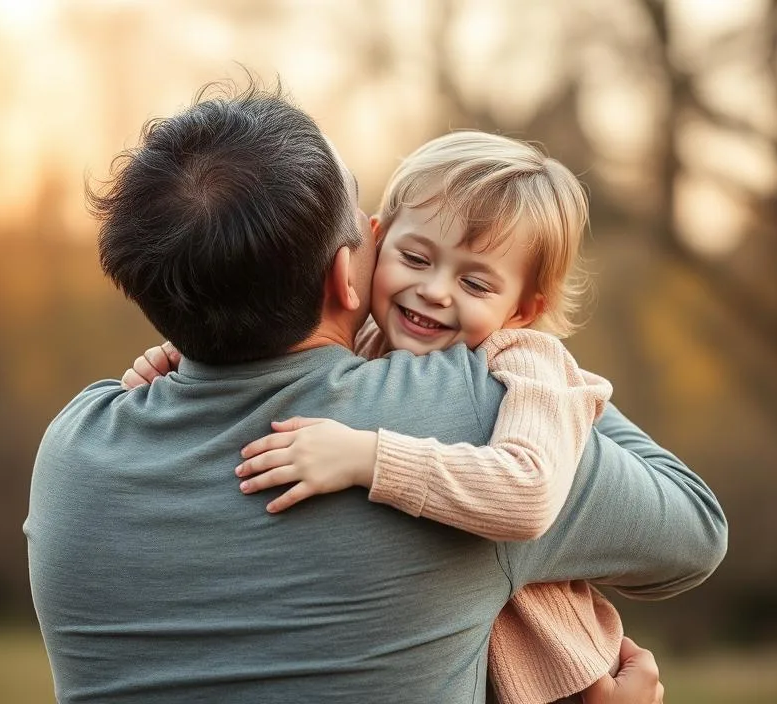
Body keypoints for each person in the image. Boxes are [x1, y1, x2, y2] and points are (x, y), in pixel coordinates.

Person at [26, 79, 726, 704]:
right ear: (346, 275)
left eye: (475, 280)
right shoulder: (469, 411)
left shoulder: (72, 450)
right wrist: (526, 349)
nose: (430, 284)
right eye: (379, 237)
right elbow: (695, 529)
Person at [125, 131, 627, 703]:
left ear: (524, 308)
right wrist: (185, 360)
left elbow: (531, 489)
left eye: (474, 281)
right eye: (414, 258)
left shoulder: (526, 360)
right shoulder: (362, 339)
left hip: (555, 677)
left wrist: (368, 457)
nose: (433, 290)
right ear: (376, 243)